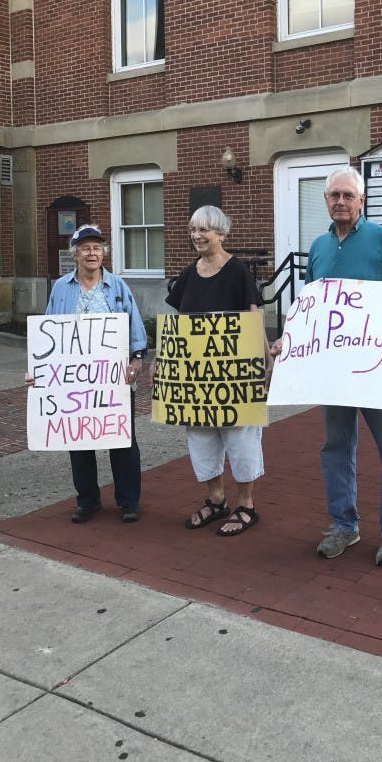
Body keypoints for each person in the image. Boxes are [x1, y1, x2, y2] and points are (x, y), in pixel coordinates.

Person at [273, 166, 382, 567]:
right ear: (326, 200)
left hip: (375, 365)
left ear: (362, 200)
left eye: (348, 196)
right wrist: (290, 339)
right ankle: (344, 524)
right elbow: (309, 304)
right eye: (334, 195)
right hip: (332, 369)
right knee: (336, 447)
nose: (340, 202)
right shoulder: (319, 246)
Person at [164, 205, 269, 537]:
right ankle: (216, 498)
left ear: (221, 233)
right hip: (197, 378)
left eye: (204, 229)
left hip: (236, 375)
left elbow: (254, 319)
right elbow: (178, 328)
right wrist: (168, 367)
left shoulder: (238, 271)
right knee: (201, 437)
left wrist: (266, 362)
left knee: (240, 438)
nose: (197, 235)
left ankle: (246, 505)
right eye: (193, 229)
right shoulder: (187, 275)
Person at [36, 224, 147, 523]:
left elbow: (134, 324)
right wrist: (39, 370)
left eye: (97, 247)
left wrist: (137, 358)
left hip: (113, 377)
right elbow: (48, 331)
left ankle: (128, 501)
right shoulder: (61, 288)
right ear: (75, 253)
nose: (92, 253)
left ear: (103, 252)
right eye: (85, 248)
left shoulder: (118, 286)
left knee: (122, 439)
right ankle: (87, 500)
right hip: (73, 381)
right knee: (78, 439)